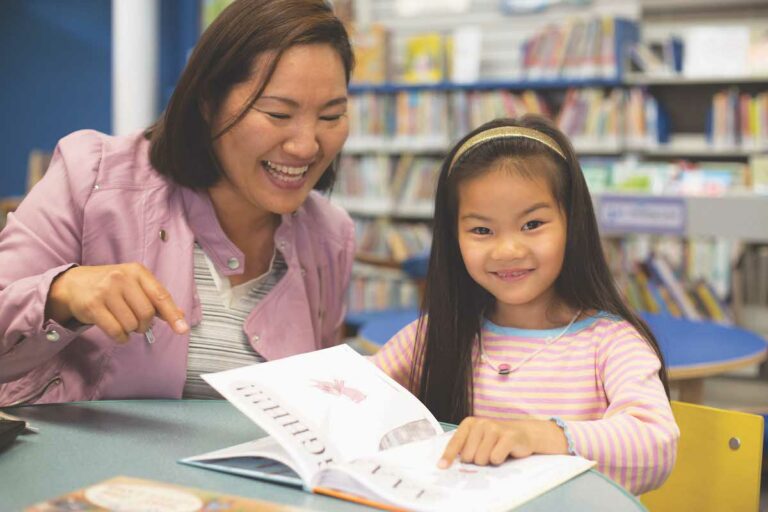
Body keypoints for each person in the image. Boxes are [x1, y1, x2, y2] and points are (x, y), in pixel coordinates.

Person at [0, 0, 356, 405]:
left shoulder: (331, 235)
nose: (306, 145)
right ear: (208, 101)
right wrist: (61, 294)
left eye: (331, 117)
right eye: (277, 114)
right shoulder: (92, 177)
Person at [372, 115, 679, 495]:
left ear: (573, 223)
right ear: (454, 239)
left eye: (532, 224)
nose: (508, 250)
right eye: (482, 230)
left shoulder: (610, 342)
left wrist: (539, 434)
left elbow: (656, 444)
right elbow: (351, 394)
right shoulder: (436, 333)